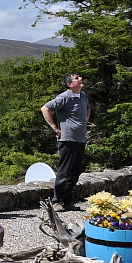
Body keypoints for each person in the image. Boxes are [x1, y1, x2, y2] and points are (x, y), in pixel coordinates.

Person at [41, 72, 91, 212]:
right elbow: (45, 108)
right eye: (76, 78)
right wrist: (55, 128)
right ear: (70, 84)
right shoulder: (65, 97)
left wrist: (85, 120)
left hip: (80, 139)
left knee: (74, 173)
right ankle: (56, 201)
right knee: (64, 172)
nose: (80, 79)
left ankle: (67, 201)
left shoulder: (83, 96)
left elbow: (88, 108)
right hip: (68, 139)